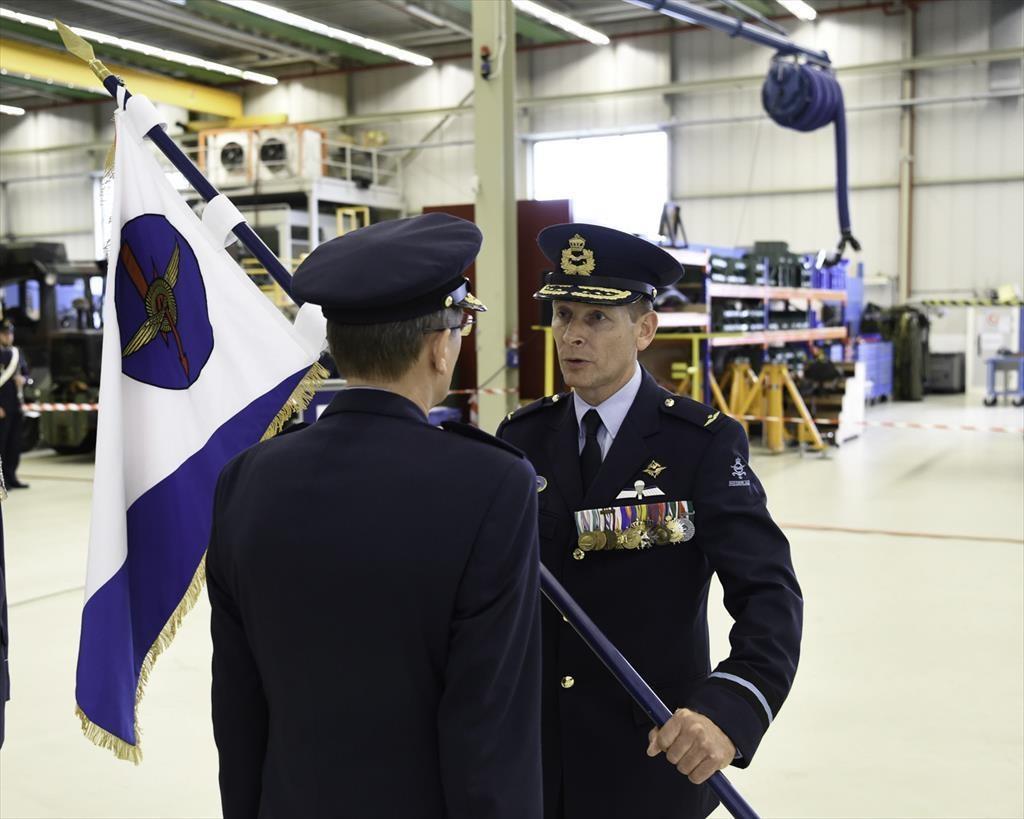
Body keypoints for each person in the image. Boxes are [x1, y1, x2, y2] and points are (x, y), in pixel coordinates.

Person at [207, 213, 543, 819]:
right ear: (441, 346)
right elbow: (489, 723)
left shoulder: (246, 480)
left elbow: (237, 705)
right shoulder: (490, 485)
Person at [497, 223, 803, 819]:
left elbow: (769, 593)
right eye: (563, 316)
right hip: (536, 757)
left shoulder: (703, 445)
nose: (572, 337)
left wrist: (728, 710)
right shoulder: (521, 437)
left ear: (644, 329)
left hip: (649, 754)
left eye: (597, 319)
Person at [0, 322, 29, 490]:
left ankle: (12, 477)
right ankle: (2, 481)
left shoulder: (17, 353)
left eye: (10, 334)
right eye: (4, 334)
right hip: (2, 408)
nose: (8, 337)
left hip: (16, 405)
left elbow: (27, 374)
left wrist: (24, 380)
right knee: (2, 445)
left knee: (14, 445)